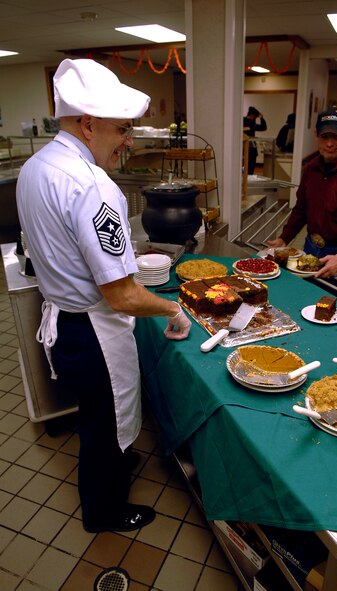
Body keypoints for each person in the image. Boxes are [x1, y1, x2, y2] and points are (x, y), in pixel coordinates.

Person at [16, 58, 192, 533]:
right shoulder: (95, 187)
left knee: (96, 419)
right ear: (88, 124)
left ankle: (110, 472)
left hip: (63, 323)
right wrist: (173, 308)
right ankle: (106, 512)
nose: (129, 140)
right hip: (94, 332)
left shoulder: (36, 167)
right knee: (107, 424)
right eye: (123, 129)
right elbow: (124, 297)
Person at [267, 107, 337, 305]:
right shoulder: (311, 169)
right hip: (312, 248)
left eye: (335, 137)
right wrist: (284, 238)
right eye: (324, 136)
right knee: (307, 302)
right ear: (316, 135)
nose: (329, 144)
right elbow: (301, 209)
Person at [243, 106, 267, 174]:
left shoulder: (241, 120)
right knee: (250, 170)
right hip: (250, 148)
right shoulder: (251, 123)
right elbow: (263, 127)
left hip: (245, 148)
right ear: (252, 116)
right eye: (255, 117)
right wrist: (261, 118)